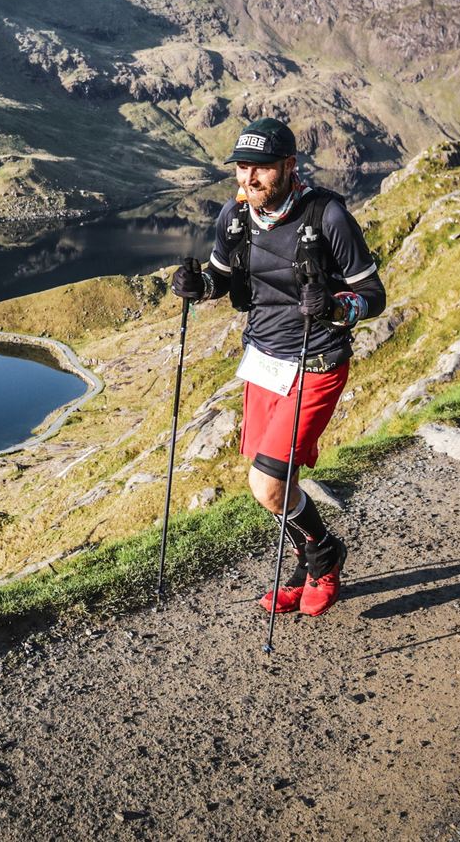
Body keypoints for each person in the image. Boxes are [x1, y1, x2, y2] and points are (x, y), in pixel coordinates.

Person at [171, 117, 386, 615]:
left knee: (265, 484)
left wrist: (335, 307)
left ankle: (323, 551)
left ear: (290, 166)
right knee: (277, 483)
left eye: (261, 169)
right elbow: (223, 280)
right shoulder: (235, 215)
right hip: (264, 362)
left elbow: (373, 296)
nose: (249, 179)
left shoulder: (328, 216)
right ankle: (309, 559)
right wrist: (197, 288)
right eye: (243, 168)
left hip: (316, 363)